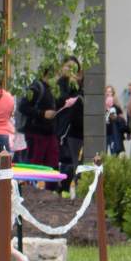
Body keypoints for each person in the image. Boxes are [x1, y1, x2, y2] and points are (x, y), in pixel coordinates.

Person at [17, 67, 59, 183]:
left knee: (52, 163)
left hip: (50, 133)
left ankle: (50, 189)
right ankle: (31, 187)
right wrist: (42, 113)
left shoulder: (52, 90)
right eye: (54, 76)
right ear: (46, 75)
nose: (56, 79)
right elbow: (22, 107)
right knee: (35, 164)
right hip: (36, 133)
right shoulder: (36, 88)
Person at [54, 57, 84, 189]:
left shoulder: (80, 84)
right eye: (68, 66)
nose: (71, 70)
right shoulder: (59, 83)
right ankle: (61, 187)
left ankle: (74, 186)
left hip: (79, 127)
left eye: (74, 67)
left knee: (78, 162)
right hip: (64, 129)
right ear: (62, 68)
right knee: (66, 160)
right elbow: (59, 100)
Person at [104, 84, 127, 156]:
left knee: (114, 154)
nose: (108, 93)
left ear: (113, 94)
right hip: (104, 133)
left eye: (110, 92)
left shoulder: (116, 107)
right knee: (102, 154)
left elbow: (122, 120)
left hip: (112, 133)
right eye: (106, 91)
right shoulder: (101, 106)